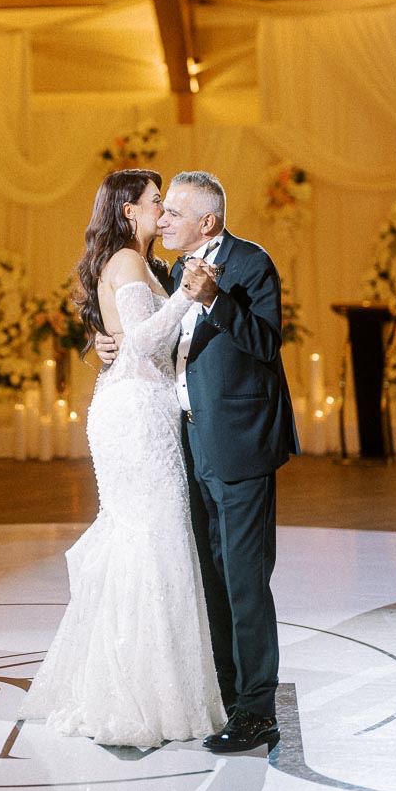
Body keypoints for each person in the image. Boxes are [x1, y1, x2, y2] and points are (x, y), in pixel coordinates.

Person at [95, 170, 300, 754]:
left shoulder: (249, 263)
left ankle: (257, 711)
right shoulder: (162, 272)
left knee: (244, 580)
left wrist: (214, 300)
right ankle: (227, 697)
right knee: (209, 577)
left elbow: (264, 344)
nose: (162, 221)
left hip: (238, 443)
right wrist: (101, 339)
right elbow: (135, 324)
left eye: (173, 214)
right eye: (161, 212)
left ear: (206, 223)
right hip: (184, 444)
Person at [20, 168, 226, 748]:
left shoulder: (134, 262)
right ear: (129, 212)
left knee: (146, 537)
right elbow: (140, 341)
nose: (163, 213)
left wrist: (109, 334)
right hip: (136, 416)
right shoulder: (130, 263)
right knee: (153, 539)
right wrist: (186, 295)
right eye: (156, 202)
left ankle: (133, 681)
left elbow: (119, 330)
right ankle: (142, 695)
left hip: (137, 408)